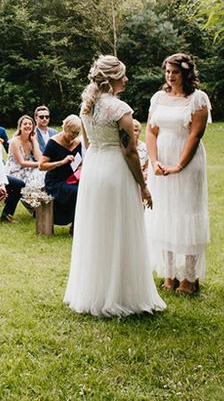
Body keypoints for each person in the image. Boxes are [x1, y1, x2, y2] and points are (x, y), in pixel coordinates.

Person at [65, 55, 164, 317]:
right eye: (124, 74)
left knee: (97, 231)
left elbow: (87, 146)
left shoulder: (87, 107)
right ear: (113, 79)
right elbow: (130, 151)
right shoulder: (120, 109)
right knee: (120, 230)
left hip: (94, 171)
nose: (127, 79)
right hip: (115, 172)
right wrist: (143, 186)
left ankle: (94, 294)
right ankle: (123, 296)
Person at [145, 53, 211, 296]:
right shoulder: (158, 98)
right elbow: (151, 132)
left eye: (175, 72)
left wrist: (179, 166)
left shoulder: (198, 99)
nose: (170, 76)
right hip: (161, 162)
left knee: (186, 215)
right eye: (167, 72)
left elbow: (195, 135)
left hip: (187, 163)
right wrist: (154, 162)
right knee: (164, 214)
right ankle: (169, 274)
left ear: (186, 73)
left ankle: (189, 278)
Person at [39, 115, 82, 228]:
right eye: (72, 132)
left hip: (72, 178)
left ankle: (79, 225)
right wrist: (61, 162)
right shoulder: (53, 143)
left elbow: (79, 162)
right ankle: (74, 225)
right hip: (56, 182)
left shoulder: (77, 143)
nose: (74, 136)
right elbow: (41, 166)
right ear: (66, 128)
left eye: (77, 133)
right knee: (76, 192)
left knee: (86, 189)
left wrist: (80, 167)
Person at [7, 115, 44, 187]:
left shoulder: (32, 140)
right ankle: (30, 193)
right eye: (25, 124)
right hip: (16, 170)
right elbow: (22, 163)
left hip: (29, 168)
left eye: (30, 124)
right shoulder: (14, 141)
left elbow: (39, 158)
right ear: (20, 127)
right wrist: (40, 164)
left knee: (45, 172)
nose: (28, 126)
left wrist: (34, 141)